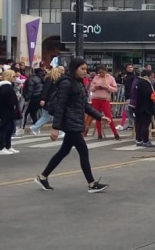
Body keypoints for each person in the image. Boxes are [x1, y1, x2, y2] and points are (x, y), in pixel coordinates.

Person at [35, 57, 110, 193]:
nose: (84, 71)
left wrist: (99, 116)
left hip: (75, 121)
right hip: (70, 123)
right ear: (74, 69)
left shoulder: (79, 83)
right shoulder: (66, 83)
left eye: (86, 69)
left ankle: (43, 176)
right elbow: (60, 106)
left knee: (64, 151)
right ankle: (92, 184)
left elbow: (84, 105)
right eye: (82, 69)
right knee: (83, 150)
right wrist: (55, 128)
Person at [0, 69, 21, 155]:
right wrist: (13, 104)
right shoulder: (5, 86)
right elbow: (7, 99)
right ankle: (1, 148)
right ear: (9, 76)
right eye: (14, 76)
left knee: (10, 128)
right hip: (6, 110)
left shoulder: (6, 86)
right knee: (4, 129)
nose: (15, 78)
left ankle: (8, 146)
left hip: (7, 110)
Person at [89, 65, 121, 140]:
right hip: (95, 98)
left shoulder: (110, 78)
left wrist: (107, 87)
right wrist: (95, 87)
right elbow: (91, 88)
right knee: (97, 117)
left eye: (102, 72)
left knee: (108, 116)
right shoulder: (96, 77)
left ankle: (115, 134)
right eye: (99, 72)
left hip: (105, 99)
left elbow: (115, 89)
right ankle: (99, 134)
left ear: (106, 71)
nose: (101, 74)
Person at [30, 65, 64, 136]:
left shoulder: (53, 80)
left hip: (51, 101)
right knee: (54, 116)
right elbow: (45, 90)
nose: (60, 74)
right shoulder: (50, 80)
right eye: (59, 73)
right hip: (50, 101)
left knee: (46, 116)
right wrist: (43, 99)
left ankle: (35, 128)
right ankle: (59, 131)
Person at [134, 69, 155, 147]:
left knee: (139, 124)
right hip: (145, 107)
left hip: (139, 106)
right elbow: (148, 94)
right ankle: (145, 140)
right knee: (145, 124)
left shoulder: (139, 82)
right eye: (152, 76)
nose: (153, 78)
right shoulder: (145, 84)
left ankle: (139, 139)